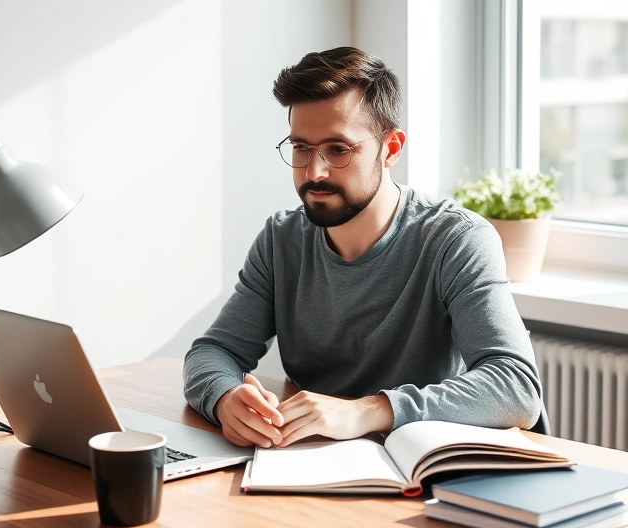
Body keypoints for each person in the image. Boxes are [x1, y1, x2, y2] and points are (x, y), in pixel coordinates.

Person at [184, 46, 542, 449]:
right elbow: (214, 351)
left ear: (390, 149)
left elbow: (515, 389)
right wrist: (225, 398)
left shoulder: (455, 240)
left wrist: (363, 411)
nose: (314, 171)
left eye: (338, 149)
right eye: (302, 148)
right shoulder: (281, 239)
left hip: (419, 468)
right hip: (306, 460)